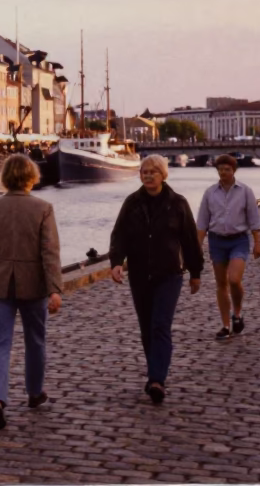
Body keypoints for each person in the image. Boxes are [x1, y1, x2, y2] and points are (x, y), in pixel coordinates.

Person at [0, 154, 63, 430]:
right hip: (34, 285)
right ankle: (34, 393)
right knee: (35, 340)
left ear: (6, 178)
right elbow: (50, 253)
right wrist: (55, 289)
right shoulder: (43, 208)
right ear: (32, 177)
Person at [109, 154, 205, 404]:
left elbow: (189, 241)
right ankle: (154, 371)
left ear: (163, 175)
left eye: (153, 171)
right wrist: (116, 263)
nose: (148, 175)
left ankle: (157, 379)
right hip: (140, 274)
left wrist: (195, 273)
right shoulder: (132, 203)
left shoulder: (178, 203)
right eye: (144, 171)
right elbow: (119, 235)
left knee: (160, 325)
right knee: (146, 329)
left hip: (169, 274)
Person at [196, 154, 260, 340]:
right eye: (220, 169)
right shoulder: (210, 193)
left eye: (227, 169)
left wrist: (257, 243)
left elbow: (254, 219)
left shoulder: (245, 191)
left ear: (234, 171)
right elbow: (202, 222)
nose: (223, 173)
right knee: (221, 284)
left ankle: (238, 313)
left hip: (238, 240)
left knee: (234, 279)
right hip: (217, 241)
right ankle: (225, 325)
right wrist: (197, 246)